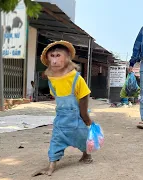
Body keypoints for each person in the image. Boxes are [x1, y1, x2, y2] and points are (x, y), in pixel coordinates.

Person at [32, 41, 93, 177]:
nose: (54, 60)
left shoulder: (76, 78)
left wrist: (85, 116)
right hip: (61, 118)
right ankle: (51, 165)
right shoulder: (51, 79)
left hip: (76, 117)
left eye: (58, 56)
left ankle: (86, 155)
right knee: (56, 140)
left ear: (66, 58)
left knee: (83, 137)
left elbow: (84, 96)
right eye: (52, 56)